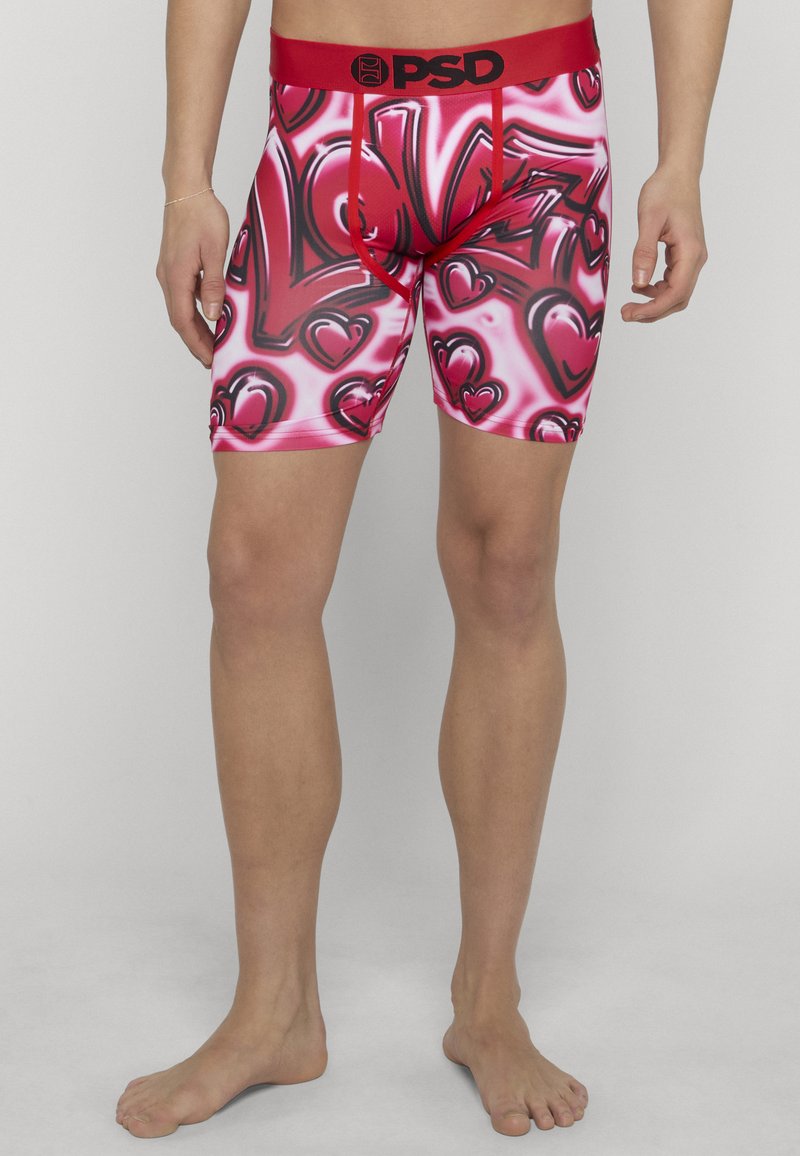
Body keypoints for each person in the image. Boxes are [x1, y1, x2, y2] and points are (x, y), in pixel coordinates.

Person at [118, 0, 733, 1139]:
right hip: (324, 135)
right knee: (254, 571)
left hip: (534, 139)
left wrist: (683, 158)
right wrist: (184, 178)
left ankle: (487, 1001)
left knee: (508, 565)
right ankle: (273, 1009)